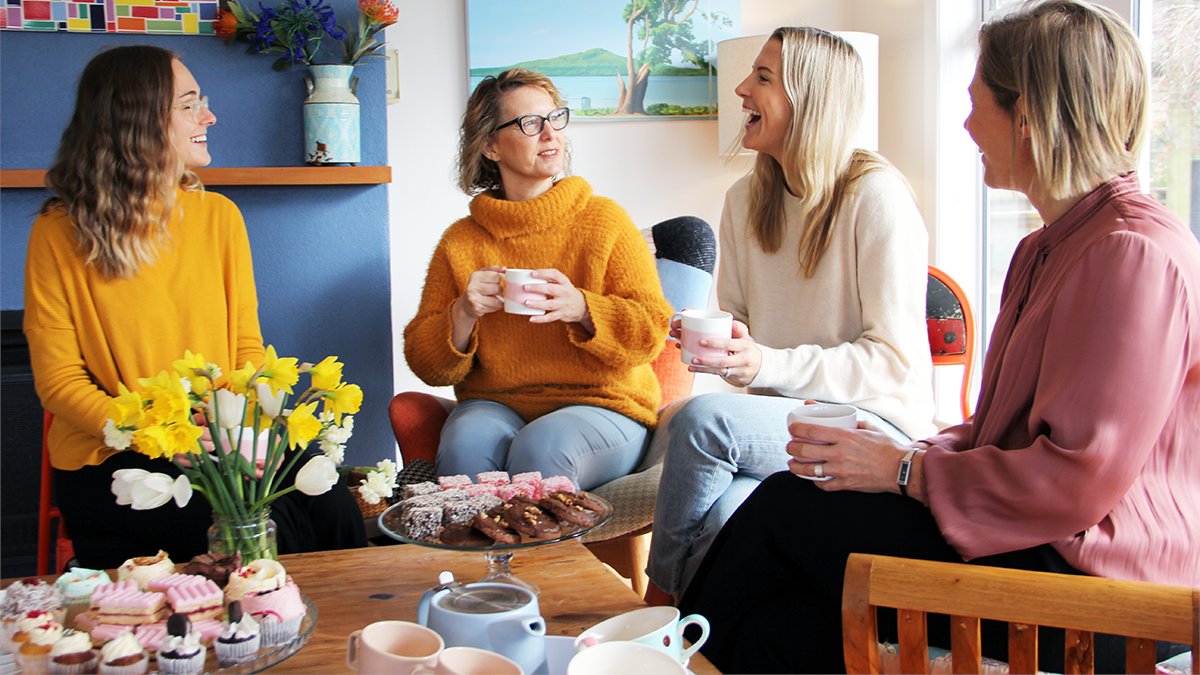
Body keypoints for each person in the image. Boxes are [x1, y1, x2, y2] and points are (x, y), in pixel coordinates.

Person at [679, 2, 1200, 672]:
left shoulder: (1131, 253)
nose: (966, 124)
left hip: (1100, 586)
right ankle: (669, 652)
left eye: (976, 102)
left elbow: (1076, 481)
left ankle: (660, 651)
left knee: (784, 506)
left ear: (1030, 119)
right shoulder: (1049, 247)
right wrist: (904, 453)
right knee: (784, 625)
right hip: (1035, 540)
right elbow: (1000, 430)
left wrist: (906, 470)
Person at [24, 45, 366, 570]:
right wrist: (154, 434)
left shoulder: (219, 218)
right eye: (188, 104)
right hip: (115, 454)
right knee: (247, 529)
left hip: (226, 435)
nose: (208, 116)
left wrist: (239, 428)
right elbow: (60, 382)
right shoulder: (58, 233)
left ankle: (346, 642)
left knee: (333, 507)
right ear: (136, 119)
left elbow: (247, 349)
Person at [645, 27, 936, 601]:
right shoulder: (744, 201)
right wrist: (724, 348)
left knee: (701, 421)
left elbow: (892, 363)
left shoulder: (876, 198)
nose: (739, 89)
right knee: (723, 518)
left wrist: (765, 363)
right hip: (779, 427)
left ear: (810, 97)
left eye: (762, 78)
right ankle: (703, 647)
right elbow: (747, 339)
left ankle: (653, 613)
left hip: (873, 425)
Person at [403, 68, 673, 490]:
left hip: (604, 403)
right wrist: (462, 313)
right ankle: (479, 559)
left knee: (541, 447)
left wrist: (583, 309)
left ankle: (542, 560)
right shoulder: (461, 242)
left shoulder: (605, 221)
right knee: (464, 443)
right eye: (530, 123)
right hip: (496, 403)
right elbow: (429, 367)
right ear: (490, 145)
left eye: (556, 118)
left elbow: (650, 333)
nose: (551, 134)